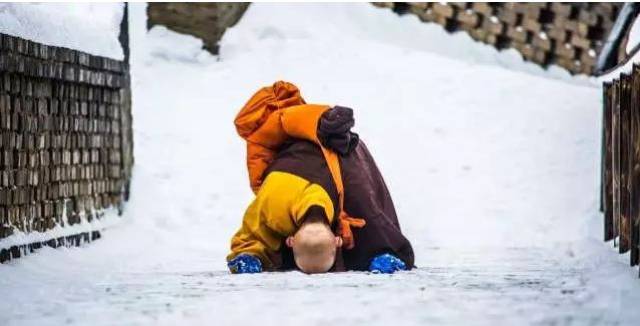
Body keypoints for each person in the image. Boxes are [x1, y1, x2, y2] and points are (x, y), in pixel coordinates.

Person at [226, 81, 414, 274]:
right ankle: (379, 252)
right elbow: (253, 229)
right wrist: (248, 257)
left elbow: (253, 232)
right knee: (364, 208)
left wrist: (249, 254)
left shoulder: (276, 199)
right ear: (338, 239)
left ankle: (380, 252)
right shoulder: (274, 201)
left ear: (289, 241)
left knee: (363, 200)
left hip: (334, 150)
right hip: (323, 153)